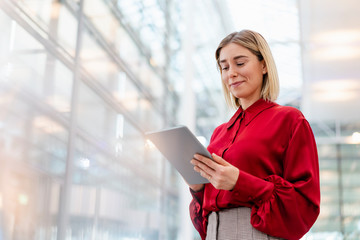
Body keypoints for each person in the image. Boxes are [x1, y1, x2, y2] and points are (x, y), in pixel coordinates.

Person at [188, 30, 320, 240]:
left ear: (264, 65)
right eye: (224, 67)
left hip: (257, 232)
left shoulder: (290, 120)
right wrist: (197, 189)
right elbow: (203, 217)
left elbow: (305, 204)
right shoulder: (219, 133)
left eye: (240, 63)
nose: (230, 73)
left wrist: (239, 182)